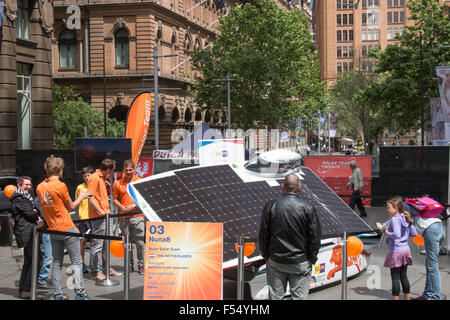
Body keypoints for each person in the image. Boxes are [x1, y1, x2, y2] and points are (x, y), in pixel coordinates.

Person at [36, 155, 92, 300]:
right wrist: (83, 196)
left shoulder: (40, 187)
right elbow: (71, 206)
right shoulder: (60, 185)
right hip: (67, 228)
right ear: (60, 170)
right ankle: (80, 293)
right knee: (77, 262)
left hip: (53, 230)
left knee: (56, 263)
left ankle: (57, 295)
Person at [258, 173, 321, 300]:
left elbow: (263, 234)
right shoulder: (308, 208)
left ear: (282, 186)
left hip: (276, 261)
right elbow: (314, 238)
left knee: (276, 297)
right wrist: (311, 259)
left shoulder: (271, 206)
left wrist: (266, 256)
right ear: (300, 188)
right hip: (300, 262)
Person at [10, 176, 44, 299]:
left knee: (30, 260)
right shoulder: (19, 198)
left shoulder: (24, 197)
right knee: (36, 259)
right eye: (26, 185)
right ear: (19, 185)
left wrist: (35, 211)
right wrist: (35, 212)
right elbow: (30, 213)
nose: (29, 187)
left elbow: (34, 211)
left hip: (28, 231)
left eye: (30, 185)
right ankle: (27, 288)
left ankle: (24, 289)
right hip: (27, 233)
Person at [113, 160, 145, 275]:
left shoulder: (139, 181)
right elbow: (115, 199)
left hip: (137, 216)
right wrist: (122, 207)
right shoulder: (118, 183)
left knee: (140, 242)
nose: (128, 172)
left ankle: (141, 265)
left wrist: (134, 206)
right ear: (123, 170)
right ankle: (130, 264)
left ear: (134, 170)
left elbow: (143, 199)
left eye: (130, 170)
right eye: (126, 170)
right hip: (124, 216)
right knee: (127, 243)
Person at [87, 158, 117, 281]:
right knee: (97, 245)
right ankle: (95, 271)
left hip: (105, 215)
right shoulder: (94, 177)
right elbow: (91, 198)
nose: (111, 174)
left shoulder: (102, 178)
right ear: (108, 169)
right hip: (99, 217)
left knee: (106, 243)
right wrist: (101, 212)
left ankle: (107, 268)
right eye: (111, 171)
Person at [381, 198, 417, 300]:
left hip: (396, 251)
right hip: (405, 250)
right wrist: (404, 236)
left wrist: (385, 232)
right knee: (404, 277)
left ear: (396, 208)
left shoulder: (395, 219)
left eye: (388, 208)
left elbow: (396, 234)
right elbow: (413, 233)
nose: (387, 210)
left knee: (395, 279)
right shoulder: (405, 217)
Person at [413, 201, 446, 300]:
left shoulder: (406, 210)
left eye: (389, 207)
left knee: (432, 266)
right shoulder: (417, 209)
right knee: (430, 264)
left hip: (432, 230)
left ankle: (435, 296)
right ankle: (427, 294)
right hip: (440, 227)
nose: (388, 210)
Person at [75, 166, 94, 274]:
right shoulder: (79, 187)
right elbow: (77, 200)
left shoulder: (95, 185)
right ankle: (81, 263)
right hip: (84, 217)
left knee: (94, 241)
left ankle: (93, 264)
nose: (87, 177)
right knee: (82, 240)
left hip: (95, 217)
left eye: (88, 175)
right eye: (85, 176)